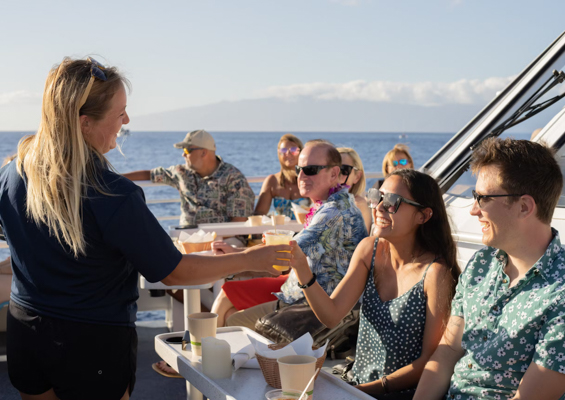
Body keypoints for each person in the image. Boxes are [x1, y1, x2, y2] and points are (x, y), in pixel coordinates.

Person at [0, 57, 291, 400]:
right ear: (84, 124)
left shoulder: (14, 173)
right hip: (90, 344)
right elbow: (176, 272)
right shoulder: (112, 193)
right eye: (120, 112)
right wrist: (252, 258)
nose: (126, 120)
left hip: (27, 331)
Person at [414, 138, 565, 400]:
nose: (474, 210)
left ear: (524, 206)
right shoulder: (481, 265)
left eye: (483, 198)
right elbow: (448, 351)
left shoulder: (560, 291)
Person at [290, 169, 459, 398]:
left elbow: (429, 361)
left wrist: (366, 390)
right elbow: (331, 315)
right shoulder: (369, 250)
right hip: (359, 383)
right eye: (376, 196)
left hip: (401, 392)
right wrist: (302, 269)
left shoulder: (435, 274)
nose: (378, 207)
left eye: (391, 202)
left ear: (424, 216)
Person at [215, 140, 368, 330]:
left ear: (334, 174)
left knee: (233, 322)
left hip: (311, 308)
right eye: (299, 170)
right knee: (230, 313)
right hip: (301, 297)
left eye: (311, 169)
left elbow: (284, 256)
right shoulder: (331, 204)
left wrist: (231, 257)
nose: (301, 176)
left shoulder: (332, 212)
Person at [123, 129, 255, 229]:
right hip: (187, 238)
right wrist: (115, 178)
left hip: (223, 241)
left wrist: (209, 241)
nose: (183, 154)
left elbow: (239, 222)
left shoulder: (233, 178)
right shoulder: (181, 173)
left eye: (187, 150)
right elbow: (149, 174)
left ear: (203, 152)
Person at [254, 133, 310, 218]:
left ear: (301, 152)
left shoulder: (310, 178)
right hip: (280, 231)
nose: (288, 153)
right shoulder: (272, 181)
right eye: (283, 150)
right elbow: (259, 214)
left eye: (293, 149)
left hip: (306, 229)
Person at [337, 146, 372, 234]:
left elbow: (359, 244)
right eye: (331, 168)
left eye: (344, 170)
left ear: (357, 176)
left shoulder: (358, 205)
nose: (336, 174)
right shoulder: (323, 202)